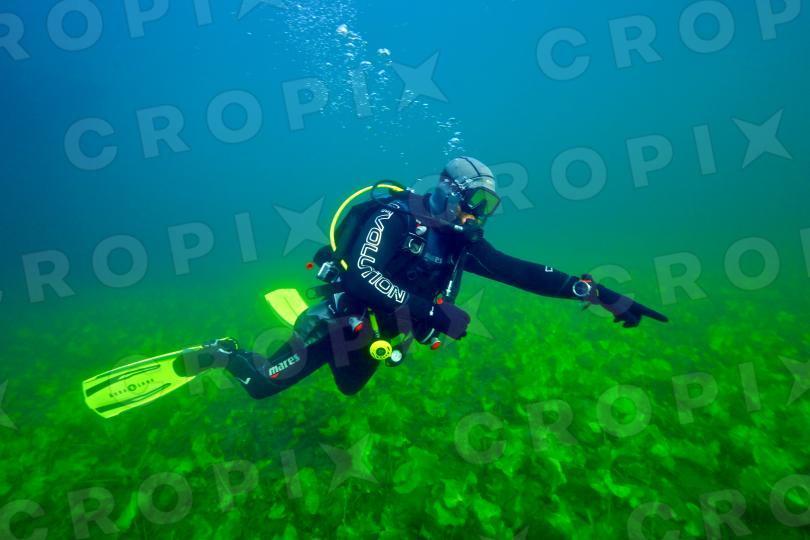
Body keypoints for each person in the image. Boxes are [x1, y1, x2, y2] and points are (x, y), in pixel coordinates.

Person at [82, 157, 668, 419]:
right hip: (342, 319)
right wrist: (431, 312)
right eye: (474, 201)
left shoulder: (461, 243)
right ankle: (223, 353)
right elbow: (363, 275)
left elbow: (523, 272)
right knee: (262, 387)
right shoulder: (394, 218)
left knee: (349, 390)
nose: (478, 215)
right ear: (447, 192)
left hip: (379, 335)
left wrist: (598, 294)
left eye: (487, 207)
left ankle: (325, 343)